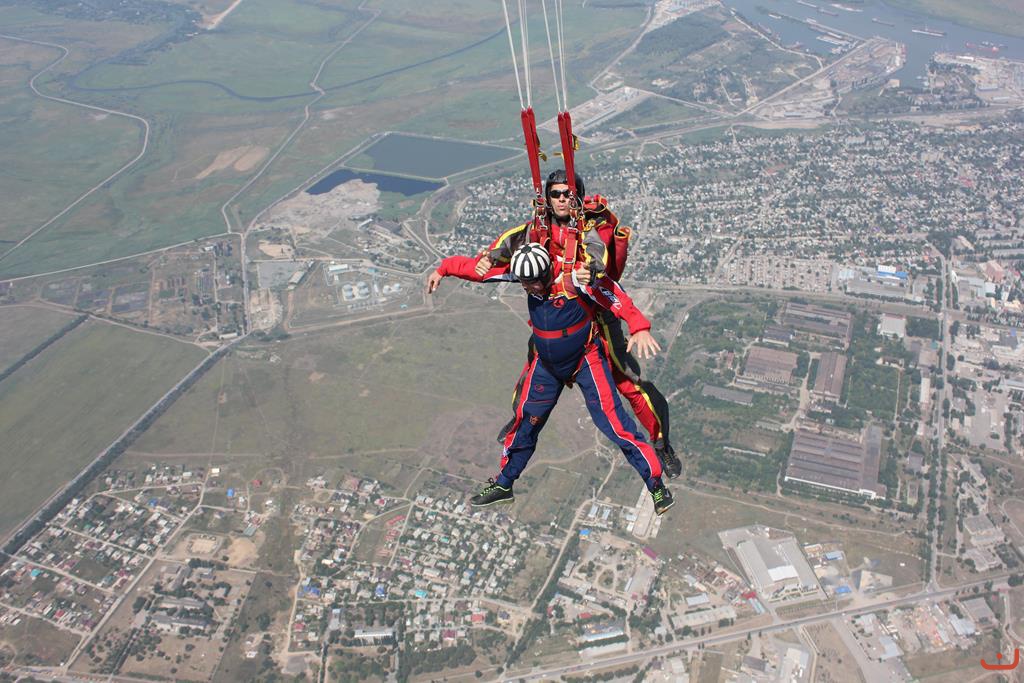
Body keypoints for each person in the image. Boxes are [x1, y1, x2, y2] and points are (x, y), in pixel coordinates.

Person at [428, 170, 681, 478]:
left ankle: (660, 443)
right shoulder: (536, 230)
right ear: (547, 198)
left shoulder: (589, 230)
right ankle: (520, 420)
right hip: (558, 320)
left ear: (578, 198)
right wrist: (446, 268)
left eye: (568, 194)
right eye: (556, 194)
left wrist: (637, 323)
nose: (561, 200)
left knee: (629, 383)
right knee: (531, 373)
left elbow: (601, 265)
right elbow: (498, 259)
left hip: (597, 319)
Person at [431, 242, 676, 515]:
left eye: (534, 283)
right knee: (525, 423)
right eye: (525, 284)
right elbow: (479, 271)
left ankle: (656, 486)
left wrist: (639, 326)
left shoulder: (574, 277)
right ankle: (504, 484)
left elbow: (613, 294)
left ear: (546, 271)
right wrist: (443, 269)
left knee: (616, 425)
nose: (530, 289)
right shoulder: (525, 275)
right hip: (547, 365)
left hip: (586, 359)